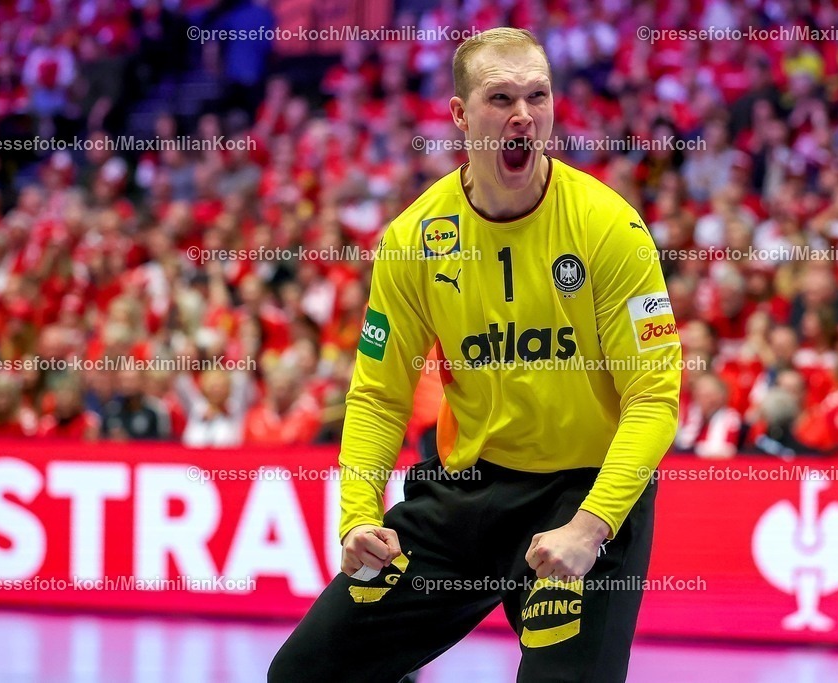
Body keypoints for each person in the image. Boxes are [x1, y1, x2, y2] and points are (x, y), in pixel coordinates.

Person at [268, 28, 681, 683]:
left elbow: (655, 398)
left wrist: (590, 527)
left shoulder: (609, 228)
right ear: (461, 115)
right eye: (501, 98)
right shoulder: (414, 240)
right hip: (466, 490)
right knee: (306, 674)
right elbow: (379, 394)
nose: (523, 115)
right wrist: (356, 517)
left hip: (582, 493)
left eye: (538, 96)